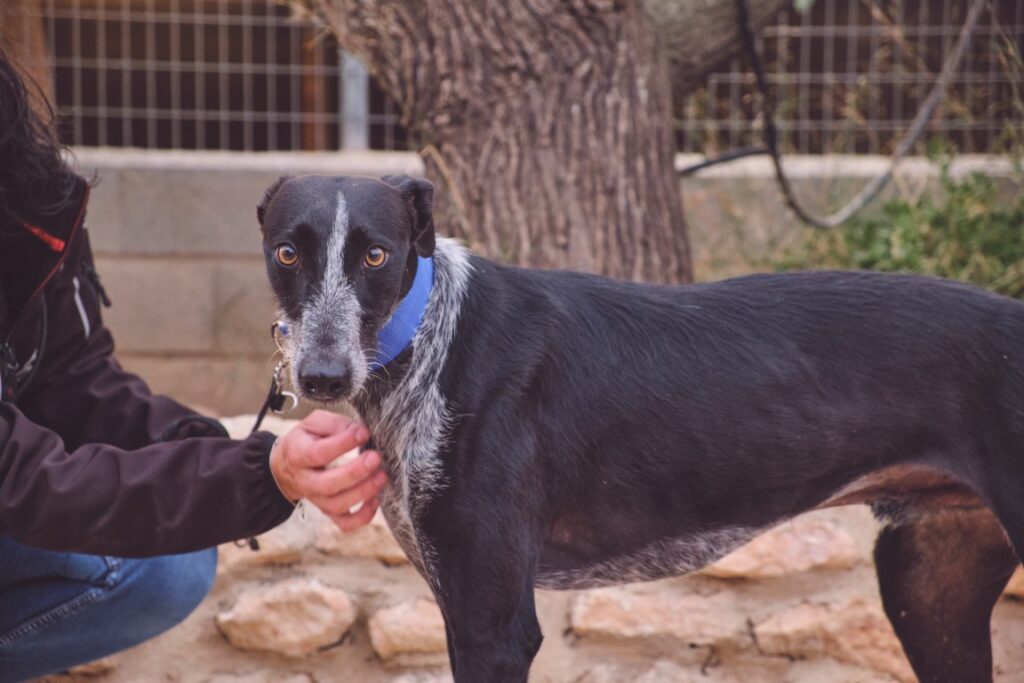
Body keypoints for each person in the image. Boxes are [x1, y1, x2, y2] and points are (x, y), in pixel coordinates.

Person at [0, 52, 388, 681]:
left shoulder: (30, 202)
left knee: (175, 568)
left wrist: (225, 447)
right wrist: (257, 476)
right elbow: (20, 479)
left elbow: (76, 379)